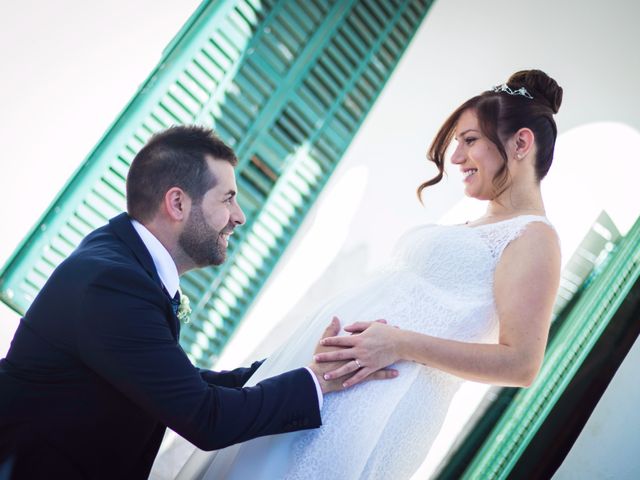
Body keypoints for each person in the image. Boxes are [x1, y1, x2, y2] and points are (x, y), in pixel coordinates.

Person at [176, 69, 563, 479]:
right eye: (456, 144)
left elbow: (521, 363)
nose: (455, 158)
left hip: (374, 412)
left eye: (469, 141)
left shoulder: (533, 237)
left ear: (521, 142)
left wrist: (398, 342)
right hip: (336, 391)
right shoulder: (480, 226)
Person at [0, 126, 397, 480]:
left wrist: (293, 364)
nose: (239, 216)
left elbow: (175, 379)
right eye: (227, 199)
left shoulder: (122, 259)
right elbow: (207, 418)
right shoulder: (113, 283)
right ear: (177, 204)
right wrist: (317, 382)